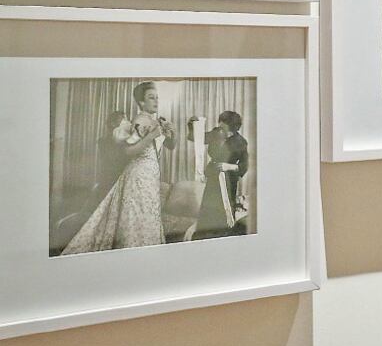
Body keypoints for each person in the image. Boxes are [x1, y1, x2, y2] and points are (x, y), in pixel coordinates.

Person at [62, 82, 177, 255]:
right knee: (136, 219)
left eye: (157, 97)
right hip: (138, 175)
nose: (156, 101)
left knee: (147, 218)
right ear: (141, 103)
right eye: (151, 98)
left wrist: (173, 134)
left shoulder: (156, 121)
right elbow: (128, 151)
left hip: (150, 176)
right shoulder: (139, 120)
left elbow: (170, 146)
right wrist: (152, 135)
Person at [187, 111, 249, 239]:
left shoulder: (241, 142)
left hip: (229, 180)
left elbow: (244, 165)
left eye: (222, 122)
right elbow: (196, 138)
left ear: (231, 125)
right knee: (209, 207)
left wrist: (229, 166)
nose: (219, 124)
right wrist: (192, 125)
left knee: (224, 209)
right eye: (220, 121)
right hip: (213, 176)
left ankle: (223, 237)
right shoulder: (216, 133)